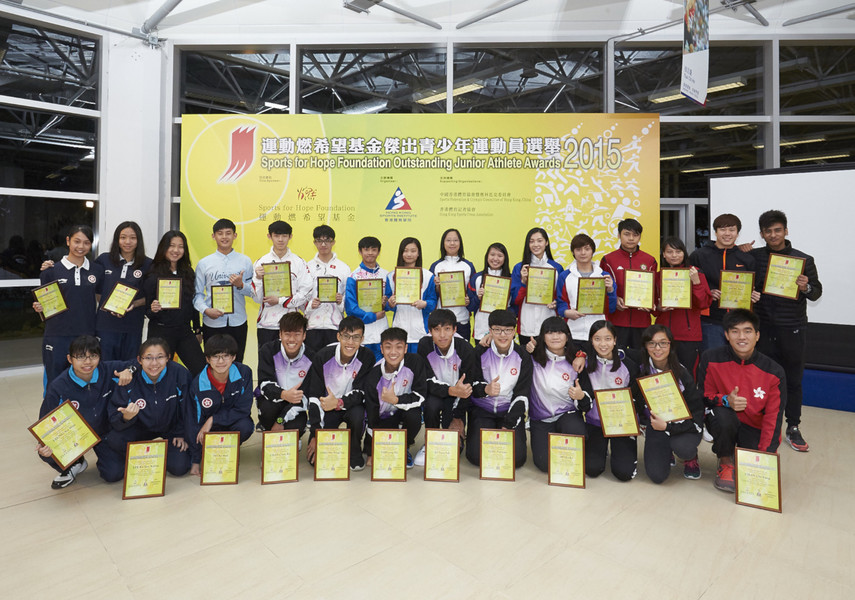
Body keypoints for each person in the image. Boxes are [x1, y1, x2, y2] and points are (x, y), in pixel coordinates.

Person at [746, 210, 822, 452]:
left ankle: (793, 426)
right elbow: (746, 281)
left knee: (793, 380)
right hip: (763, 327)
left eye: (777, 230)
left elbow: (817, 292)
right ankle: (761, 422)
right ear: (762, 234)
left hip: (793, 328)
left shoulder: (804, 260)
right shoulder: (755, 257)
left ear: (786, 231)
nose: (773, 235)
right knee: (761, 378)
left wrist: (806, 285)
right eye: (768, 231)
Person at [696, 309, 786, 493]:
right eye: (735, 331)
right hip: (725, 421)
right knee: (722, 416)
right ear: (727, 335)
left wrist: (764, 457)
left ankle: (746, 457)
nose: (741, 337)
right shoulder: (710, 358)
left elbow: (773, 418)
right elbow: (704, 396)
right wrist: (726, 400)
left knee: (753, 467)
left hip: (754, 427)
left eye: (747, 331)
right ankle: (726, 461)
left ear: (757, 335)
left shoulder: (774, 372)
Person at [35, 335, 133, 488]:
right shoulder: (58, 387)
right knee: (47, 451)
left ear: (99, 357)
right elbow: (45, 422)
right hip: (75, 436)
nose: (87, 362)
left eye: (93, 356)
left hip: (105, 432)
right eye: (80, 357)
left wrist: (129, 370)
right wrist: (43, 445)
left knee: (113, 474)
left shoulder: (108, 370)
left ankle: (107, 455)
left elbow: (139, 364)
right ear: (69, 358)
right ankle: (73, 465)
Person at [104, 338, 192, 478]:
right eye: (148, 358)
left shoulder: (180, 374)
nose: (154, 363)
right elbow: (114, 415)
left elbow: (188, 408)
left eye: (160, 357)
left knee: (179, 467)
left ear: (168, 358)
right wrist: (125, 418)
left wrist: (181, 433)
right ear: (139, 360)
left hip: (170, 428)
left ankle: (154, 456)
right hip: (139, 427)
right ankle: (147, 457)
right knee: (115, 440)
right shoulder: (128, 378)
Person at [34, 225, 104, 387]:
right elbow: (44, 307)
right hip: (57, 335)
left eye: (86, 243)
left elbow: (102, 300)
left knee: (84, 382)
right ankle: (54, 412)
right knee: (55, 383)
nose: (81, 247)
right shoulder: (51, 271)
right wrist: (39, 308)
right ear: (68, 241)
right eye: (76, 241)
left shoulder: (97, 270)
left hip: (86, 335)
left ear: (91, 245)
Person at [305, 316, 375, 471]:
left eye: (356, 337)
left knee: (358, 414)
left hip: (351, 406)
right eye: (346, 336)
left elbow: (361, 392)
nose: (350, 342)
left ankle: (354, 449)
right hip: (326, 409)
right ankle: (327, 439)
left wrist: (339, 402)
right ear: (338, 336)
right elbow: (314, 397)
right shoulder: (322, 356)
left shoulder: (367, 357)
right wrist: (316, 433)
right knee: (316, 461)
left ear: (362, 338)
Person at [577, 320, 644, 481]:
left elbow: (637, 399)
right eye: (597, 339)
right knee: (591, 470)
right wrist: (581, 397)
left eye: (608, 339)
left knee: (624, 474)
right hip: (595, 423)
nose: (603, 344)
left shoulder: (628, 365)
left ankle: (619, 448)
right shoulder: (585, 366)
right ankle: (600, 449)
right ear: (591, 341)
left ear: (615, 340)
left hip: (621, 425)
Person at [638, 324, 704, 483]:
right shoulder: (642, 371)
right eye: (651, 343)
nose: (657, 348)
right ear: (646, 346)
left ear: (671, 345)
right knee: (657, 476)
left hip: (684, 426)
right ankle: (665, 449)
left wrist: (668, 427)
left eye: (663, 343)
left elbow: (696, 414)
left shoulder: (682, 374)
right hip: (657, 426)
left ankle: (691, 457)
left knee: (684, 448)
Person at [466, 309, 531, 469]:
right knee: (476, 458)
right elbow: (471, 384)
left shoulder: (523, 356)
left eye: (508, 330)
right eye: (497, 330)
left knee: (516, 460)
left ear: (514, 331)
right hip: (483, 410)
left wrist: (507, 425)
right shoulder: (479, 352)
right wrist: (485, 389)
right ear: (490, 330)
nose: (503, 335)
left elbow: (522, 394)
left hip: (509, 412)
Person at [186, 334, 255, 476]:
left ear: (234, 357)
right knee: (180, 465)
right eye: (216, 356)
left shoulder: (244, 373)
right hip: (208, 430)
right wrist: (195, 460)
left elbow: (244, 409)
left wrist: (214, 419)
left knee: (246, 426)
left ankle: (228, 447)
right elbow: (193, 421)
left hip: (231, 422)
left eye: (225, 356)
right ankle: (215, 448)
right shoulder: (198, 384)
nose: (221, 361)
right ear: (207, 359)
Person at [414, 309, 477, 465]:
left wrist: (457, 417)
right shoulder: (424, 345)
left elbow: (467, 388)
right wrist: (449, 390)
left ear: (455, 330)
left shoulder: (466, 350)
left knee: (455, 449)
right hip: (436, 393)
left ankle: (458, 432)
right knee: (431, 405)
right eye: (437, 330)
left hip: (459, 398)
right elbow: (426, 381)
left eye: (447, 329)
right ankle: (430, 440)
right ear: (430, 331)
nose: (442, 335)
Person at [689, 213, 758, 351]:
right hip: (711, 322)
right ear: (715, 232)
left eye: (732, 230)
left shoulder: (747, 259)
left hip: (740, 323)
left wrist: (754, 295)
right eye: (722, 229)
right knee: (713, 364)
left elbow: (754, 286)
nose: (727, 234)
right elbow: (689, 287)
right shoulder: (699, 256)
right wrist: (708, 293)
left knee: (738, 366)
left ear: (738, 233)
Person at [528, 317, 589, 473]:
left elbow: (599, 350)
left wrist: (580, 396)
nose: (555, 337)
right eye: (549, 333)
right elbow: (507, 347)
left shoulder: (577, 362)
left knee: (577, 444)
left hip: (567, 414)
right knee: (544, 465)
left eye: (560, 332)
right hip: (540, 419)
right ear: (542, 337)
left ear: (567, 336)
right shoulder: (532, 358)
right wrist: (488, 336)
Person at [144, 231, 206, 375]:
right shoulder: (153, 273)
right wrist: (153, 309)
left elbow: (193, 302)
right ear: (163, 248)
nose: (176, 250)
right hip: (160, 332)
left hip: (184, 331)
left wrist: (197, 329)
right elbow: (146, 309)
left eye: (180, 246)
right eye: (171, 246)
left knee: (201, 370)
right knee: (159, 373)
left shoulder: (188, 272)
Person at [364, 327, 427, 468]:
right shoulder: (373, 376)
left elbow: (421, 396)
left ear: (405, 348)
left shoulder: (415, 362)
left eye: (398, 347)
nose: (393, 352)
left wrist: (396, 400)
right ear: (381, 349)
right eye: (388, 347)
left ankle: (404, 446)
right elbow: (371, 414)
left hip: (405, 413)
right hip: (383, 419)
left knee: (414, 416)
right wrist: (370, 451)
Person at [193, 218, 254, 362]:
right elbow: (197, 294)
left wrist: (241, 285)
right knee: (214, 362)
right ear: (213, 236)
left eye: (228, 233)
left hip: (238, 321)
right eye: (220, 233)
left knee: (237, 362)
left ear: (235, 236)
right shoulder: (204, 263)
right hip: (212, 322)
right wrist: (206, 310)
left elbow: (253, 292)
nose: (224, 237)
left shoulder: (245, 261)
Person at [654, 237, 712, 377]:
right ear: (664, 254)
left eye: (678, 251)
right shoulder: (658, 276)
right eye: (670, 252)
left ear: (684, 253)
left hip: (689, 335)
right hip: (663, 333)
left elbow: (704, 303)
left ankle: (688, 400)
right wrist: (659, 308)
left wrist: (696, 282)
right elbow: (653, 307)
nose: (674, 255)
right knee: (663, 374)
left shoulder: (695, 272)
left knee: (687, 376)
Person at [250, 220, 313, 349]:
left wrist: (280, 300)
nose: (280, 240)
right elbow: (256, 298)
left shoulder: (299, 262)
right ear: (269, 236)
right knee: (266, 364)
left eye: (284, 236)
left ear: (290, 237)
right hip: (267, 324)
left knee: (293, 365)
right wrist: (257, 278)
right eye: (276, 236)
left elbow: (306, 293)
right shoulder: (261, 262)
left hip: (292, 326)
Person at [94, 221, 151, 361]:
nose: (128, 242)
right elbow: (96, 289)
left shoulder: (148, 264)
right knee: (105, 367)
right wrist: (109, 306)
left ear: (139, 240)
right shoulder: (103, 260)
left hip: (132, 326)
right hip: (105, 325)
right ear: (117, 240)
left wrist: (134, 305)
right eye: (123, 237)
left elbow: (151, 295)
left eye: (133, 237)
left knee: (128, 367)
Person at [599, 218, 657, 349]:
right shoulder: (608, 259)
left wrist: (650, 302)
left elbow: (654, 288)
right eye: (627, 234)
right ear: (619, 235)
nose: (631, 238)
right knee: (617, 360)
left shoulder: (649, 260)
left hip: (642, 321)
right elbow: (602, 290)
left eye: (635, 235)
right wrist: (614, 299)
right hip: (617, 321)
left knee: (641, 361)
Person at [255, 312, 313, 436]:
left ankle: (287, 439)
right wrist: (284, 394)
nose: (292, 339)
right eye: (287, 334)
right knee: (267, 409)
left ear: (304, 335)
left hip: (295, 405)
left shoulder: (312, 358)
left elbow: (305, 397)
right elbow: (264, 384)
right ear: (280, 334)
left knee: (297, 427)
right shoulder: (268, 350)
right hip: (273, 401)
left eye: (297, 334)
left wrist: (280, 420)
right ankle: (269, 431)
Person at [556, 233, 617, 344]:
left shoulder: (604, 276)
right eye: (578, 249)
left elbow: (611, 308)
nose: (583, 253)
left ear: (592, 251)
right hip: (573, 332)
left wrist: (610, 290)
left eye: (587, 249)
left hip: (599, 334)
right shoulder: (564, 276)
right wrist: (566, 312)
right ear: (573, 252)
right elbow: (560, 304)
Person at [510, 227, 563, 348]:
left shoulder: (557, 268)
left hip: (549, 320)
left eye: (539, 241)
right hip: (527, 323)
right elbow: (514, 300)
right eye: (531, 241)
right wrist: (523, 282)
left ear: (547, 242)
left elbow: (561, 298)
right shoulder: (520, 267)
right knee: (528, 362)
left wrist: (556, 303)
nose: (536, 244)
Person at [386, 237, 437, 353]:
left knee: (419, 368)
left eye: (413, 251)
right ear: (401, 253)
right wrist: (390, 303)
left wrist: (424, 304)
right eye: (405, 250)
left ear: (418, 253)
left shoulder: (428, 276)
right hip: (399, 330)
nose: (409, 254)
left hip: (420, 332)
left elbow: (433, 302)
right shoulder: (391, 276)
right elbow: (387, 305)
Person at [305, 225, 351, 353]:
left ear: (333, 242)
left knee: (333, 366)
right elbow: (301, 296)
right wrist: (310, 305)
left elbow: (350, 297)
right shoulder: (307, 267)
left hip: (335, 326)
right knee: (313, 366)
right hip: (312, 325)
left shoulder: (344, 268)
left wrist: (341, 300)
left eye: (327, 240)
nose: (323, 244)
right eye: (319, 240)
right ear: (314, 243)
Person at [344, 236, 389, 361]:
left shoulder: (386, 275)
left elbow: (391, 303)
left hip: (382, 331)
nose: (370, 253)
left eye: (374, 250)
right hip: (363, 334)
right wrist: (373, 316)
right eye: (366, 249)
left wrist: (388, 303)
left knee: (382, 370)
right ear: (360, 251)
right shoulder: (353, 277)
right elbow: (351, 308)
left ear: (379, 252)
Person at [429, 228, 476, 341]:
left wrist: (469, 300)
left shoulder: (468, 265)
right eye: (448, 240)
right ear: (443, 243)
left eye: (455, 240)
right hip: (441, 320)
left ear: (460, 243)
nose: (452, 243)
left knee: (463, 355)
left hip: (462, 319)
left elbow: (473, 292)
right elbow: (431, 295)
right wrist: (436, 286)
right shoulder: (436, 266)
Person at [470, 242, 512, 346]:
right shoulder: (477, 278)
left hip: (504, 332)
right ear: (487, 256)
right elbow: (469, 306)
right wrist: (478, 298)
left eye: (500, 255)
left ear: (505, 258)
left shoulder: (510, 280)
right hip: (481, 329)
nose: (495, 259)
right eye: (492, 255)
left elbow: (515, 307)